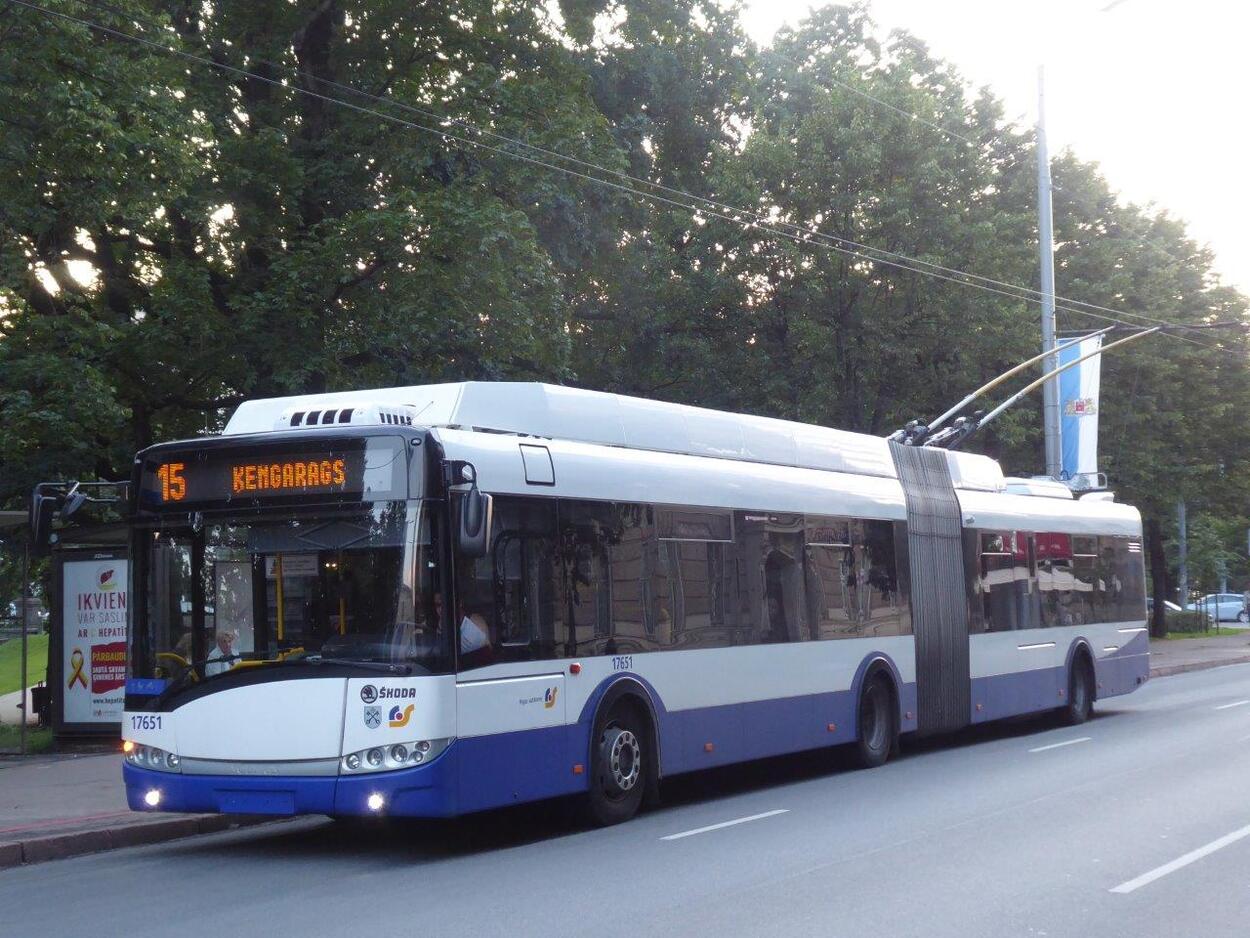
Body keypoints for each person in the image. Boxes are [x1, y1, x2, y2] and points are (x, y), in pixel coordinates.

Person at [433, 593, 493, 665]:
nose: (441, 609)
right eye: (437, 605)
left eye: (445, 603)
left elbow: (486, 650)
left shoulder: (475, 621)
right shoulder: (441, 625)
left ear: (459, 603)